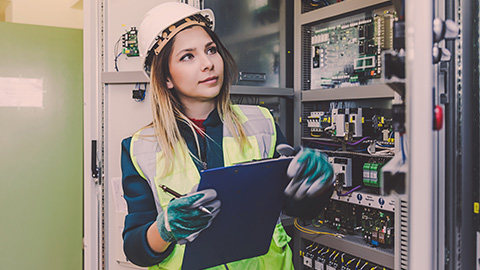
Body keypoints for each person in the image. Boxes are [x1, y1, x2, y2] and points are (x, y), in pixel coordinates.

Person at [120, 2, 334, 269]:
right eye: (188, 56)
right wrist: (164, 229)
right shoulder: (140, 148)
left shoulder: (262, 123)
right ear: (165, 78)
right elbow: (135, 249)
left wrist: (318, 185)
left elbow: (296, 209)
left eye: (211, 50)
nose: (208, 63)